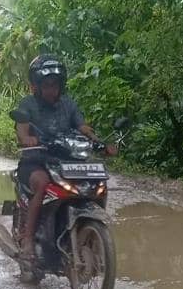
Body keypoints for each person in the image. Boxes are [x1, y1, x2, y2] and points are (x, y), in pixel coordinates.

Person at [13, 55, 117, 261]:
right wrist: (27, 139)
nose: (52, 89)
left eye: (55, 84)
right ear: (37, 86)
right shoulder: (28, 104)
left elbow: (83, 127)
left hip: (66, 162)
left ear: (61, 85)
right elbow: (21, 128)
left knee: (95, 183)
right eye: (47, 85)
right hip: (35, 161)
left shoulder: (68, 105)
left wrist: (99, 143)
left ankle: (90, 238)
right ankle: (27, 240)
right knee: (42, 183)